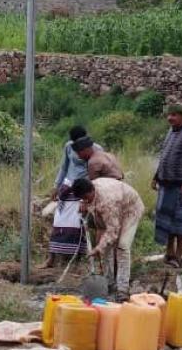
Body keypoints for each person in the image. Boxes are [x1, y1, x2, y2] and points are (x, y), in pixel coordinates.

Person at [72, 177, 144, 301]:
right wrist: (84, 204)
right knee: (106, 247)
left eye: (85, 198)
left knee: (122, 246)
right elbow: (89, 202)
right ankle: (109, 283)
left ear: (90, 192)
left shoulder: (108, 201)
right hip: (117, 208)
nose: (84, 200)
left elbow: (112, 231)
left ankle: (122, 289)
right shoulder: (89, 187)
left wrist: (98, 248)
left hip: (131, 210)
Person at [43, 126, 103, 269]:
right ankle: (51, 258)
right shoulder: (69, 147)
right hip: (67, 187)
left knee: (79, 225)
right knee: (58, 222)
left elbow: (95, 175)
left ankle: (77, 261)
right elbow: (64, 167)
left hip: (83, 190)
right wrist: (56, 186)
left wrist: (85, 199)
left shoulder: (97, 149)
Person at [152, 104, 182, 268]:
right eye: (168, 115)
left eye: (173, 115)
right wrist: (156, 177)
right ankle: (169, 252)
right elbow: (164, 156)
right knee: (166, 220)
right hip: (165, 184)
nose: (170, 118)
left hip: (181, 185)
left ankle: (179, 255)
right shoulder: (170, 131)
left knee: (180, 221)